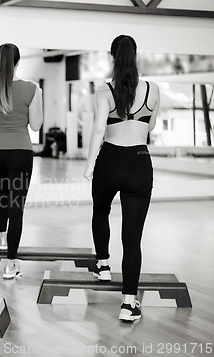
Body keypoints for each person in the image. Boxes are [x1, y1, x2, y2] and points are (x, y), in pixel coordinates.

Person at [83, 35, 160, 322]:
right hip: (140, 163)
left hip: (110, 161)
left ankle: (103, 264)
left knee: (100, 210)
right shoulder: (153, 90)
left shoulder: (105, 90)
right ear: (135, 55)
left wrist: (90, 164)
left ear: (112, 57)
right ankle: (129, 304)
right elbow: (150, 125)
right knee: (133, 238)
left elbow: (98, 128)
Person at [0, 43, 43, 279]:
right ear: (17, 62)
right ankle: (11, 263)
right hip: (20, 153)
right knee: (17, 206)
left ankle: (2, 236)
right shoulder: (32, 89)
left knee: (3, 191)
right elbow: (35, 126)